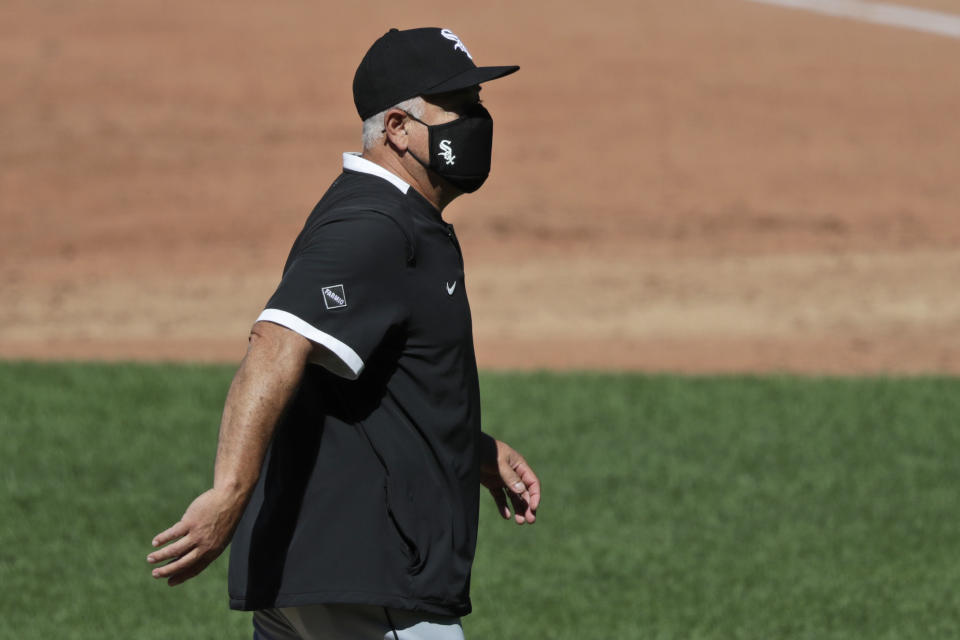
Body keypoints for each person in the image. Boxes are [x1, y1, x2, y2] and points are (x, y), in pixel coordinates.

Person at [147, 27, 541, 640]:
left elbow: (366, 385)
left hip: (323, 577)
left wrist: (473, 451)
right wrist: (229, 492)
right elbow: (276, 343)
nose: (477, 121)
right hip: (368, 583)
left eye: (478, 106)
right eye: (458, 109)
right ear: (397, 128)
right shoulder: (373, 223)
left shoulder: (398, 219)